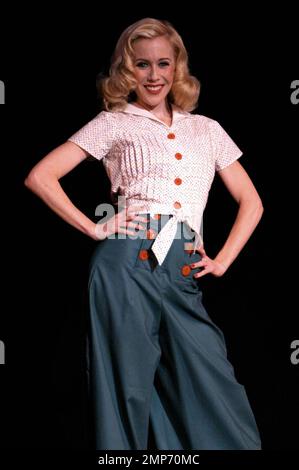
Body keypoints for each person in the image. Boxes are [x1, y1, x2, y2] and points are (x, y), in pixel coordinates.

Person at [24, 17, 263, 450]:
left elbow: (253, 201)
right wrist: (95, 227)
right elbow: (41, 176)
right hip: (126, 261)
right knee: (127, 386)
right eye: (141, 64)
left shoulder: (206, 129)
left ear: (177, 68)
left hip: (183, 263)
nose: (153, 75)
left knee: (210, 380)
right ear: (126, 70)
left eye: (163, 63)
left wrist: (223, 259)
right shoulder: (113, 122)